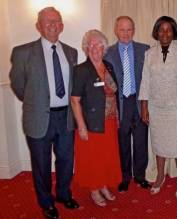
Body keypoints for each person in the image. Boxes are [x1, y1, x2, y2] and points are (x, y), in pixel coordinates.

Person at [9, 7, 79, 219]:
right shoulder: (22, 52)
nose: (52, 25)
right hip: (38, 117)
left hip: (66, 117)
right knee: (41, 163)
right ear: (38, 26)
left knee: (66, 160)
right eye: (47, 22)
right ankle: (46, 202)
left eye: (56, 21)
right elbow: (18, 85)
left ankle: (63, 194)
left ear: (62, 26)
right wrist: (35, 103)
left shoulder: (71, 52)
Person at [139, 16, 177, 199]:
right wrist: (144, 107)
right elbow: (145, 82)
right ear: (156, 32)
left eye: (168, 30)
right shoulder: (149, 54)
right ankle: (160, 175)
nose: (165, 33)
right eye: (161, 30)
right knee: (159, 143)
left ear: (174, 32)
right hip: (156, 107)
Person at [71, 29, 122, 207]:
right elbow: (75, 100)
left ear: (104, 47)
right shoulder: (81, 70)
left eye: (98, 44)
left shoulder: (108, 66)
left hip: (109, 121)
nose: (95, 47)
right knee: (92, 157)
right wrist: (82, 126)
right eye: (91, 45)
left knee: (106, 157)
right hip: (91, 123)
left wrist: (117, 117)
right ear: (86, 48)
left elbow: (115, 93)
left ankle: (103, 185)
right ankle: (94, 189)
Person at [104, 16, 150, 192]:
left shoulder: (145, 50)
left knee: (140, 142)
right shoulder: (107, 52)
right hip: (119, 105)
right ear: (116, 30)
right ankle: (124, 177)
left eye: (129, 29)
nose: (125, 33)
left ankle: (140, 176)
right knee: (122, 143)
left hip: (139, 103)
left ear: (134, 30)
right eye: (122, 29)